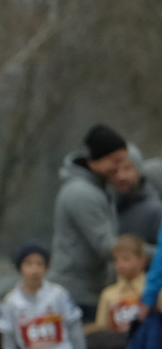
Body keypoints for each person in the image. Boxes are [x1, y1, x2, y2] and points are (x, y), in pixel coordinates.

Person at [51, 126, 162, 318]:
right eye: (115, 162)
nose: (119, 169)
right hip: (78, 293)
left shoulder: (100, 188)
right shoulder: (82, 193)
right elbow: (106, 246)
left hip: (92, 289)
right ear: (97, 161)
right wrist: (157, 254)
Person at [95, 234, 150, 336]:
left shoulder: (153, 292)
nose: (120, 265)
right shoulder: (108, 294)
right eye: (116, 259)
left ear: (142, 260)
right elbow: (101, 329)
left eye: (126, 259)